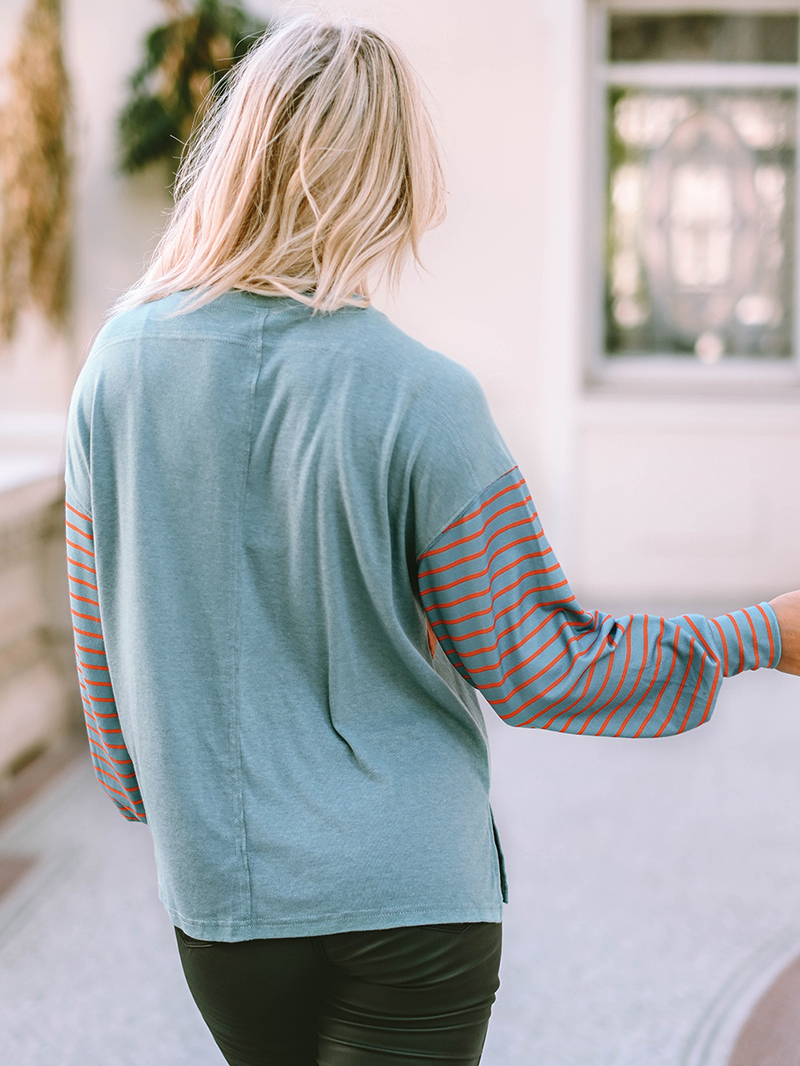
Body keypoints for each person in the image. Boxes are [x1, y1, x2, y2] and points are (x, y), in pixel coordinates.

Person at [64, 13, 800, 1066]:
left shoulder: (115, 372)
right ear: (392, 180)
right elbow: (535, 664)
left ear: (237, 157)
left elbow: (108, 708)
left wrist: (167, 791)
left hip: (219, 904)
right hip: (409, 898)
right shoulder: (425, 398)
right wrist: (757, 632)